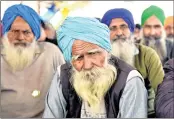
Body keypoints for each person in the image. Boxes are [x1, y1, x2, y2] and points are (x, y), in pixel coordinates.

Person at [43, 17, 147, 118]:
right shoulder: (62, 75)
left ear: (107, 50)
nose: (87, 66)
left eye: (93, 54)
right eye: (79, 58)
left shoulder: (130, 80)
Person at [1, 4, 65, 118]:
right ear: (5, 33)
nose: (20, 37)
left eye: (27, 32)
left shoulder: (51, 52)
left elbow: (66, 90)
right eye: (15, 31)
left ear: (35, 34)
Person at [101, 8, 164, 117]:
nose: (119, 33)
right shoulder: (98, 58)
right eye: (113, 28)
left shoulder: (147, 55)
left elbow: (162, 91)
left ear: (131, 29)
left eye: (123, 27)